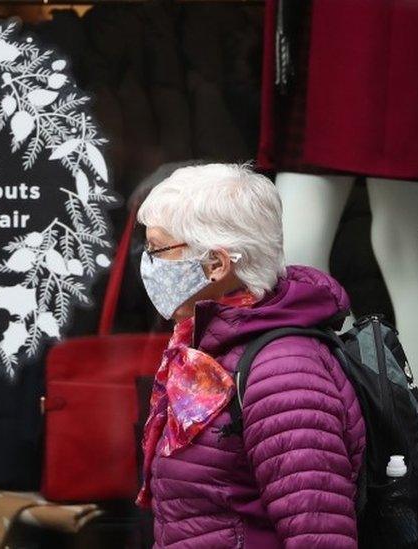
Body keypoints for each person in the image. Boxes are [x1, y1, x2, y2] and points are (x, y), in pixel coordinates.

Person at [135, 163, 365, 548]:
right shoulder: (207, 347)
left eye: (158, 249)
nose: (148, 264)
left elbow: (321, 535)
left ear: (217, 265)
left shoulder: (285, 375)